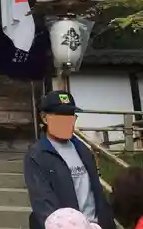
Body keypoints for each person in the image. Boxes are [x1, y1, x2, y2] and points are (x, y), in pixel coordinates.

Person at [24, 90, 115, 229]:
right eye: (60, 116)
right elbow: (43, 203)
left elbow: (96, 193)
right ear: (44, 117)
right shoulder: (37, 155)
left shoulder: (83, 149)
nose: (66, 122)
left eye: (70, 116)